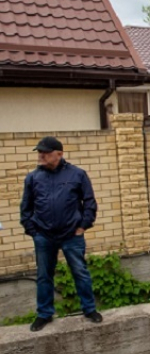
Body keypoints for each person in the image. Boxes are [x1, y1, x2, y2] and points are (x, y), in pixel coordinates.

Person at [20, 136, 103, 332]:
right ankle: (44, 314)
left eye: (45, 152)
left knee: (80, 272)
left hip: (71, 235)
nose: (41, 155)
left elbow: (89, 203)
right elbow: (26, 207)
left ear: (59, 154)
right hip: (44, 236)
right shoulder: (33, 178)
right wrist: (33, 231)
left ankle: (89, 309)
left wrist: (83, 225)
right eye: (39, 152)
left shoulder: (77, 175)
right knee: (43, 275)